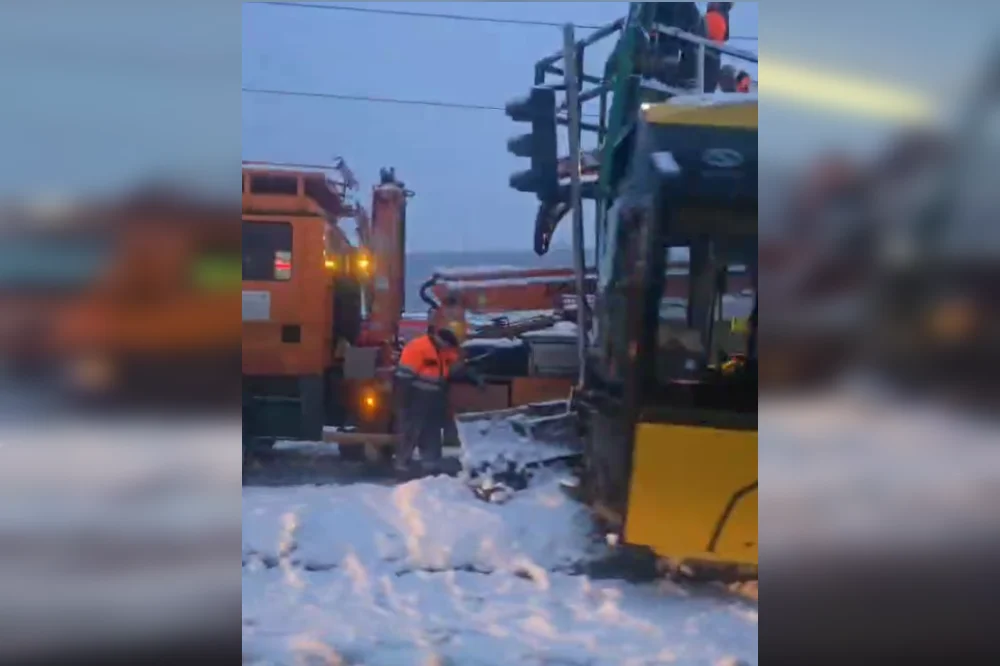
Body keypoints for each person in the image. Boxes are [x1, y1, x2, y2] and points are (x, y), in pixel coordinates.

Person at [393, 323, 481, 476]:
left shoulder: (444, 351)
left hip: (434, 399)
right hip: (415, 398)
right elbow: (403, 378)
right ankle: (401, 467)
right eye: (447, 346)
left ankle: (430, 467)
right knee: (410, 432)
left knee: (432, 432)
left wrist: (472, 377)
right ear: (440, 341)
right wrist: (403, 402)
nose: (448, 350)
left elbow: (454, 368)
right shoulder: (416, 348)